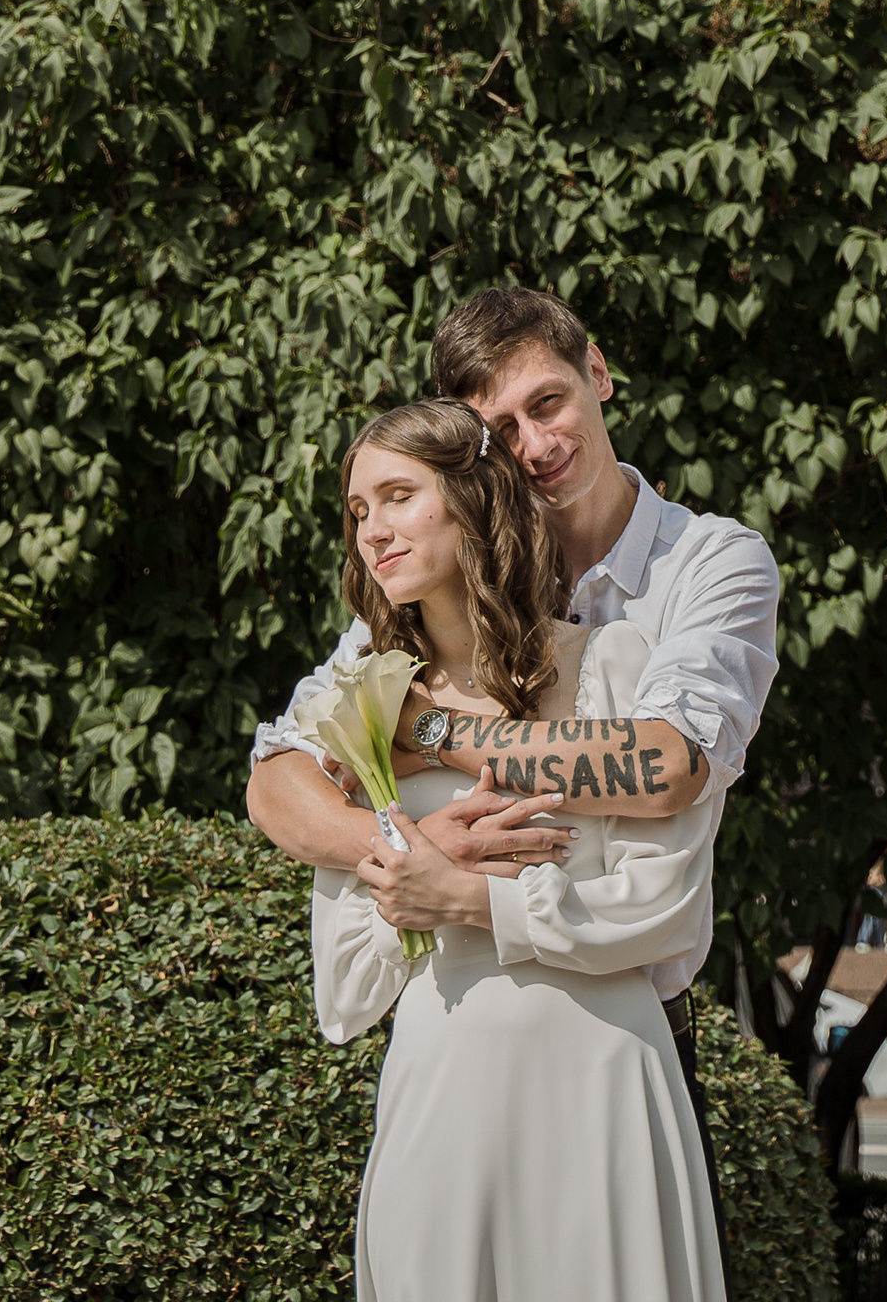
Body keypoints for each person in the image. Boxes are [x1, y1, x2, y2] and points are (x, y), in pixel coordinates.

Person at [250, 286, 779, 1249]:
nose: (535, 444)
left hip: (617, 1034)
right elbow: (280, 768)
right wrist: (400, 840)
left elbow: (665, 766)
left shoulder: (709, 563)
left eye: (549, 403)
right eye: (502, 426)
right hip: (454, 1059)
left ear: (599, 375)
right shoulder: (443, 586)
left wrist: (433, 738)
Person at [308, 397, 728, 1302]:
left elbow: (665, 905)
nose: (372, 530)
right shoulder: (367, 713)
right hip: (440, 1086)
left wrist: (467, 898)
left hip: (602, 1081)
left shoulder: (612, 665)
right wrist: (413, 862)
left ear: (472, 502)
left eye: (396, 496)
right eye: (357, 512)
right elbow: (342, 986)